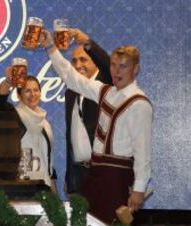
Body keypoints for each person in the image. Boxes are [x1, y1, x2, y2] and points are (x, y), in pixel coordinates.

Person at [40, 30, 153, 224]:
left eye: (123, 66)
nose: (117, 71)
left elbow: (143, 151)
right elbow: (71, 77)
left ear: (135, 69)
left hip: (118, 177)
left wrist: (139, 189)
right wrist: (51, 47)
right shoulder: (105, 92)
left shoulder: (139, 103)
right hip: (95, 174)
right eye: (114, 66)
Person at [64, 29, 112, 195]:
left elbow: (109, 64)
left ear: (95, 62)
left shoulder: (107, 84)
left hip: (103, 172)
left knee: (101, 221)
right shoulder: (70, 91)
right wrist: (69, 177)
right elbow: (72, 135)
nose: (78, 65)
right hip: (78, 173)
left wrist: (88, 42)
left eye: (83, 59)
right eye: (74, 61)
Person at [0, 68, 57, 192]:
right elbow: (0, 103)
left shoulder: (45, 123)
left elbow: (48, 160)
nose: (32, 94)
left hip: (44, 185)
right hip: (22, 185)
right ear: (19, 95)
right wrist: (8, 82)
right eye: (27, 90)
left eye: (36, 90)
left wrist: (54, 190)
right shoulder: (15, 116)